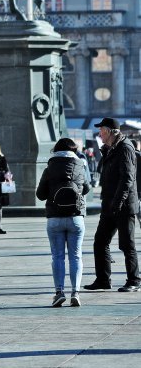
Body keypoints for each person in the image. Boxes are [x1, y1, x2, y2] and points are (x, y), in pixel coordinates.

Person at [84, 118, 140, 292]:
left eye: (101, 131)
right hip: (109, 204)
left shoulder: (125, 148)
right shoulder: (110, 149)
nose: (99, 134)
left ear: (109, 132)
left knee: (126, 244)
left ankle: (134, 280)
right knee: (100, 241)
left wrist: (118, 202)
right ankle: (103, 280)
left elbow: (127, 179)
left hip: (123, 205)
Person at [36, 138, 90, 307]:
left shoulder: (50, 167)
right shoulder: (80, 165)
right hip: (75, 217)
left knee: (57, 256)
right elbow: (87, 188)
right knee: (76, 256)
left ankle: (59, 292)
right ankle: (76, 292)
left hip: (55, 218)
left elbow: (40, 194)